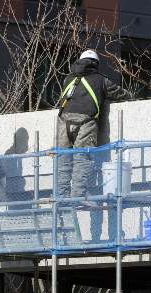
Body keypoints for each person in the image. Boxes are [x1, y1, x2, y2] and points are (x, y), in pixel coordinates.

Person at [58, 50, 134, 198]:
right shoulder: (101, 80)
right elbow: (119, 94)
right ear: (95, 64)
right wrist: (133, 97)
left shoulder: (68, 79)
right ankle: (77, 197)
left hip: (64, 121)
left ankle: (61, 197)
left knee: (63, 160)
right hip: (86, 121)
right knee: (82, 159)